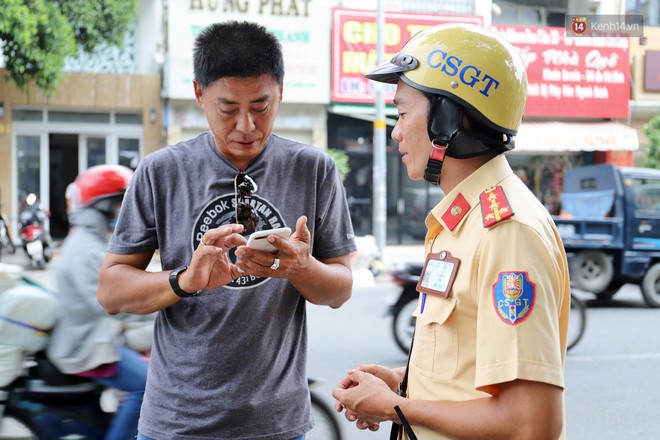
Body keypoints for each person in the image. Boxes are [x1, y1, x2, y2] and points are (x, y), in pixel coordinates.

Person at [96, 20, 356, 440]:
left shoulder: (313, 169)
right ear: (199, 94)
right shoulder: (161, 172)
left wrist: (301, 269)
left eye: (261, 105)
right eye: (228, 108)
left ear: (282, 93)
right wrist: (185, 280)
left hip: (277, 425)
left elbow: (340, 289)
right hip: (176, 424)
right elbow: (110, 291)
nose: (246, 126)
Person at [332, 23, 570, 440]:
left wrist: (397, 408)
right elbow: (470, 369)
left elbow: (532, 423)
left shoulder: (506, 232)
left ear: (448, 119)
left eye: (403, 113)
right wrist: (404, 381)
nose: (396, 131)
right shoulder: (462, 220)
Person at [47, 164, 150, 440]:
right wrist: (153, 312)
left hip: (98, 336)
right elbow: (112, 303)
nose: (122, 212)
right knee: (146, 386)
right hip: (88, 345)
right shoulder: (84, 249)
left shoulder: (92, 242)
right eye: (119, 204)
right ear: (101, 207)